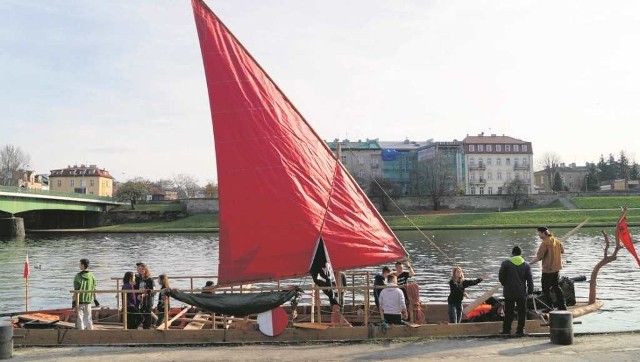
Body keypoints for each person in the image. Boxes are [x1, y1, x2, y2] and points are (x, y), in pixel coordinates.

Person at [499, 245, 534, 336]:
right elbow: (530, 280)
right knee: (522, 312)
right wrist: (530, 292)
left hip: (509, 292)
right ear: (521, 254)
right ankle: (520, 330)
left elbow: (501, 276)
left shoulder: (506, 263)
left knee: (508, 312)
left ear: (512, 253)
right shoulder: (526, 265)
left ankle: (506, 330)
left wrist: (505, 284)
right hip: (521, 292)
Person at [529, 226, 567, 310]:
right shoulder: (556, 240)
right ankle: (562, 305)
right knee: (556, 287)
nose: (538, 235)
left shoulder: (545, 243)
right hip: (556, 268)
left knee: (545, 289)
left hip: (548, 270)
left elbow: (539, 257)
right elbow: (562, 251)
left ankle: (549, 307)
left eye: (538, 233)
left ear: (543, 233)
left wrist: (529, 263)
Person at [73, 258, 97, 330]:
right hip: (88, 299)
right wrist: (95, 299)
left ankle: (81, 331)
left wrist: (74, 300)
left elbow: (76, 289)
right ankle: (90, 330)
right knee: (88, 317)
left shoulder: (78, 276)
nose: (79, 265)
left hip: (79, 299)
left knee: (80, 317)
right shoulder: (92, 275)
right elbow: (94, 288)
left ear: (83, 265)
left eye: (80, 264)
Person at [135, 263, 155, 329]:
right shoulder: (139, 279)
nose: (141, 270)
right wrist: (138, 295)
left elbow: (153, 291)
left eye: (142, 269)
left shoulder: (150, 279)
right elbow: (137, 288)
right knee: (140, 312)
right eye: (140, 269)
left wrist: (145, 294)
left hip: (148, 300)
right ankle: (139, 326)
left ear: (146, 270)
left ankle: (147, 328)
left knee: (147, 313)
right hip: (140, 299)